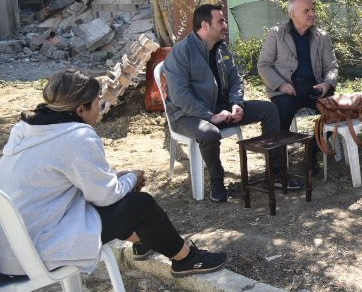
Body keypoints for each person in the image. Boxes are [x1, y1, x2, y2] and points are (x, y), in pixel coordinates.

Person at [0, 70, 226, 278]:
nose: (101, 107)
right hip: (34, 252)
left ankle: (143, 239)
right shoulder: (76, 136)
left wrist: (118, 179)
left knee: (114, 193)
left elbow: (71, 181)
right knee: (141, 204)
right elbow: (107, 196)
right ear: (80, 109)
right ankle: (185, 259)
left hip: (10, 246)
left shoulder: (26, 128)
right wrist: (131, 179)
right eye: (98, 102)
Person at [163, 3, 282, 202]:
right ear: (205, 26)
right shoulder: (181, 52)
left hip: (221, 109)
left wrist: (237, 104)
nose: (225, 25)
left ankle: (276, 173)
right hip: (185, 115)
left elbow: (235, 78)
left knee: (269, 110)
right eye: (220, 21)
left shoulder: (221, 48)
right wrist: (210, 116)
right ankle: (217, 183)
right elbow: (180, 96)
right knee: (209, 133)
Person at [258, 0, 338, 172]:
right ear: (292, 14)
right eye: (307, 10)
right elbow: (263, 65)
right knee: (279, 116)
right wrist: (280, 85)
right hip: (286, 89)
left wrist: (327, 84)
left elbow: (332, 66)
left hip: (314, 88)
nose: (312, 14)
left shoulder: (322, 36)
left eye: (313, 9)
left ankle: (312, 150)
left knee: (335, 112)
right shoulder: (276, 34)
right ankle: (276, 166)